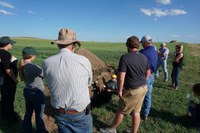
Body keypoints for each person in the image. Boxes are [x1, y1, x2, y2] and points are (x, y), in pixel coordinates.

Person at [42, 28, 93, 133]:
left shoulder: (47, 62)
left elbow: (48, 82)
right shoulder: (84, 61)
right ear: (73, 45)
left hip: (60, 114)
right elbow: (88, 83)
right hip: (80, 113)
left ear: (58, 44)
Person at [100, 36, 150, 133]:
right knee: (136, 112)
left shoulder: (125, 58)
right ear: (138, 45)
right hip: (143, 88)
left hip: (132, 91)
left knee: (121, 111)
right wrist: (141, 81)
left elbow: (121, 76)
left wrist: (119, 90)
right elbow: (148, 73)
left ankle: (111, 129)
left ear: (127, 45)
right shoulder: (144, 56)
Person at [19, 47, 47, 133]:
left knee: (28, 112)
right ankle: (40, 131)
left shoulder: (22, 65)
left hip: (27, 90)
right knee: (39, 115)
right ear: (32, 56)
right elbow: (43, 75)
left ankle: (27, 129)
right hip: (37, 92)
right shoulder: (33, 67)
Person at [0, 36, 18, 124]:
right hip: (7, 80)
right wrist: (15, 80)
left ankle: (3, 114)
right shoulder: (6, 54)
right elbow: (8, 69)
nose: (12, 44)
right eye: (11, 43)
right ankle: (11, 119)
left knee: (4, 98)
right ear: (7, 44)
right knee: (9, 99)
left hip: (1, 78)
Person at [140, 35, 158, 120]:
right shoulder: (154, 50)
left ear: (145, 43)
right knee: (148, 95)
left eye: (142, 43)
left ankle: (137, 111)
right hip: (152, 75)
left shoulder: (143, 52)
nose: (141, 45)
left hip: (144, 76)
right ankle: (146, 113)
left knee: (139, 95)